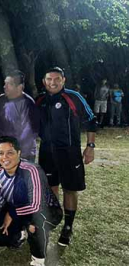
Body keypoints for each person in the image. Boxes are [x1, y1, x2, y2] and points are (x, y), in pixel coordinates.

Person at [36, 67, 96, 247]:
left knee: (70, 188)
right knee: (50, 187)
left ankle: (68, 227)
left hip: (69, 152)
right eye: (49, 79)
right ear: (44, 81)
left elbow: (91, 119)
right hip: (46, 151)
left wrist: (90, 147)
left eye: (56, 79)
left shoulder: (73, 97)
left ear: (64, 80)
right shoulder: (39, 100)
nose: (52, 82)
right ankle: (53, 220)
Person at [0, 136, 62, 266]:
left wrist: (12, 213)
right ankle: (18, 234)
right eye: (1, 153)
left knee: (35, 224)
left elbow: (36, 206)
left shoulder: (32, 170)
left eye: (10, 153)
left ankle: (38, 259)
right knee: (4, 238)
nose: (5, 157)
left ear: (19, 153)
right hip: (18, 210)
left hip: (47, 210)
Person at [0, 70, 39, 163]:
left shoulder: (27, 104)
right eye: (5, 83)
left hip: (21, 154)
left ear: (19, 87)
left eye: (9, 84)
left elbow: (28, 133)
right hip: (0, 150)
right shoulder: (2, 99)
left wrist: (12, 150)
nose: (4, 86)